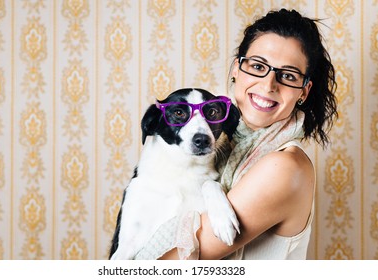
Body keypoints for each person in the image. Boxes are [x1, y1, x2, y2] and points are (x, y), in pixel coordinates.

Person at [134, 8, 338, 260]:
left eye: (287, 75)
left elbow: (168, 265)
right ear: (236, 69)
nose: (268, 85)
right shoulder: (215, 145)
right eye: (257, 66)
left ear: (304, 92)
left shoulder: (284, 166)